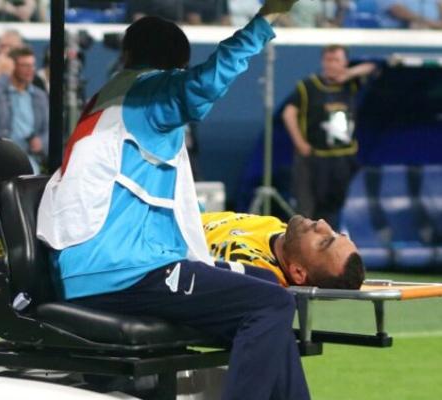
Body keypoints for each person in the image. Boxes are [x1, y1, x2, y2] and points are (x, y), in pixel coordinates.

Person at [37, 1, 311, 399]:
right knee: (270, 304)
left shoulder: (112, 98)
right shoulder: (148, 94)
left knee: (268, 285)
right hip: (120, 270)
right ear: (178, 68)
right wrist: (264, 19)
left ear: (127, 54)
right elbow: (205, 84)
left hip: (111, 263)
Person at [282, 45, 376, 229]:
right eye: (328, 60)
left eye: (337, 60)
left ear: (345, 63)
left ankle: (330, 241)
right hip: (314, 157)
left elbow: (373, 67)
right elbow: (289, 113)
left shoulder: (351, 85)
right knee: (306, 210)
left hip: (342, 157)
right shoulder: (308, 86)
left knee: (333, 209)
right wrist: (300, 142)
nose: (332, 65)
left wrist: (348, 74)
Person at [203, 211, 365, 288]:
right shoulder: (281, 230)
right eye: (335, 232)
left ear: (298, 272)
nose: (322, 224)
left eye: (323, 242)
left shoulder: (256, 275)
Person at [0, 47, 49, 174]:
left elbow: (49, 129)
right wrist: (3, 77)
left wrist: (41, 142)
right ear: (13, 67)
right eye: (25, 65)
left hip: (31, 157)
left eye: (32, 65)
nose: (30, 70)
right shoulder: (0, 91)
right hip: (2, 156)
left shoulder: (40, 96)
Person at [377, 0, 442, 28]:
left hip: (432, 30)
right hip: (397, 33)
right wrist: (433, 24)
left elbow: (439, 4)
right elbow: (397, 10)